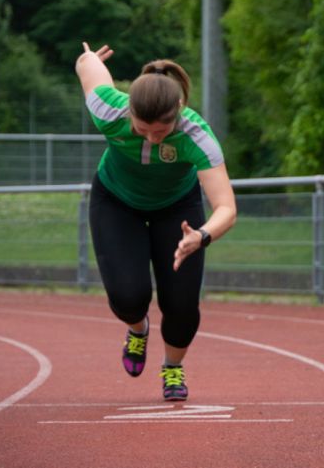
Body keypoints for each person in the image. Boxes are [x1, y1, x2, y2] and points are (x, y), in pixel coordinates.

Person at [75, 42, 237, 401]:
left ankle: (172, 367)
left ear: (177, 114)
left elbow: (226, 206)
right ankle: (138, 329)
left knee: (181, 307)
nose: (150, 137)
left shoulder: (196, 136)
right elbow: (88, 68)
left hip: (177, 209)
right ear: (129, 110)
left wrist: (202, 236)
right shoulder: (108, 109)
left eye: (160, 132)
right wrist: (88, 59)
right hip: (116, 200)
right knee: (128, 297)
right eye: (142, 129)